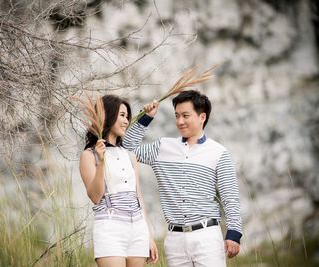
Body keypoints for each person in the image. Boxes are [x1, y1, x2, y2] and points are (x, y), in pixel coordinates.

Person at [123, 90, 242, 267]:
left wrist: (234, 234)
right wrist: (145, 118)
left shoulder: (219, 153)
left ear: (202, 117)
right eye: (177, 115)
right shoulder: (161, 147)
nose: (179, 121)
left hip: (207, 237)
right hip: (174, 239)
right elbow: (126, 151)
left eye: (185, 115)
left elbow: (229, 195)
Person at [79, 94, 159, 267]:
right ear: (108, 115)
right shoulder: (89, 155)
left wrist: (148, 235)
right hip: (110, 228)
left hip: (137, 228)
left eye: (127, 116)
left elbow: (138, 197)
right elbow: (95, 196)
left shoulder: (129, 155)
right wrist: (101, 161)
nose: (126, 121)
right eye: (122, 115)